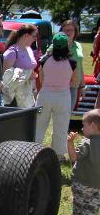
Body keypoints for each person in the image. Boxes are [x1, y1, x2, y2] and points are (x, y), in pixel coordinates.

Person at [35, 33, 77, 161]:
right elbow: (74, 81)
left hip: (45, 95)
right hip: (63, 96)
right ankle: (58, 155)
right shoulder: (72, 63)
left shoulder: (44, 60)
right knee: (61, 126)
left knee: (39, 124)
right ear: (66, 46)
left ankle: (33, 151)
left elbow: (41, 79)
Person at [67, 109, 100, 215]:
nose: (82, 128)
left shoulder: (87, 143)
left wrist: (70, 143)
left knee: (79, 210)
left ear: (93, 125)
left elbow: (74, 157)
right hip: (97, 186)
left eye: (84, 125)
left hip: (81, 184)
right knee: (90, 212)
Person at [1, 24, 38, 108]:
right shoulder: (12, 52)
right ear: (26, 35)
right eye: (34, 36)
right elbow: (7, 78)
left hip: (28, 95)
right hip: (15, 98)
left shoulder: (29, 50)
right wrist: (27, 75)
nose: (35, 39)